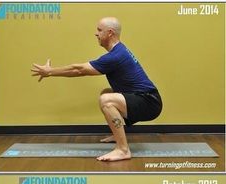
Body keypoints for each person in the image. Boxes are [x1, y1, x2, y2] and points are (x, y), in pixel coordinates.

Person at [31, 17, 163, 162]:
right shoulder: (119, 50)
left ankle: (123, 150)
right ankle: (119, 134)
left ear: (110, 33)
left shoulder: (116, 56)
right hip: (146, 98)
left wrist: (50, 71)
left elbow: (79, 70)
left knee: (106, 100)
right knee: (106, 93)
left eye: (99, 30)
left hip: (149, 102)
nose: (96, 34)